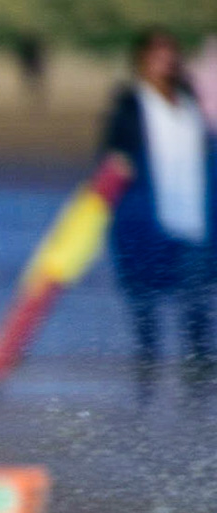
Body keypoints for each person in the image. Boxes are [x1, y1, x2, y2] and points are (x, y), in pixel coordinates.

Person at [101, 28, 216, 393]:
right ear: (142, 60)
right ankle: (147, 372)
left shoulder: (189, 101)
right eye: (158, 54)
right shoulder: (130, 102)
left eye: (171, 53)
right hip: (145, 218)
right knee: (145, 302)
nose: (167, 61)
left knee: (196, 299)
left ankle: (197, 378)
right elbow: (111, 155)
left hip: (194, 217)